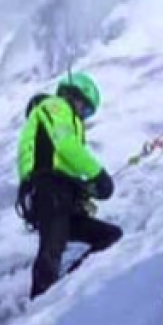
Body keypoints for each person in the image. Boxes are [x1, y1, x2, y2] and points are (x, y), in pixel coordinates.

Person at [16, 72, 122, 299]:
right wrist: (98, 175)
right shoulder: (55, 106)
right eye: (85, 109)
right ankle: (41, 306)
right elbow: (66, 146)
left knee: (110, 236)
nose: (84, 116)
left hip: (61, 194)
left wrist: (83, 190)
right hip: (48, 187)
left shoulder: (65, 119)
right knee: (51, 249)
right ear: (74, 96)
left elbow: (65, 161)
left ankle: (65, 295)